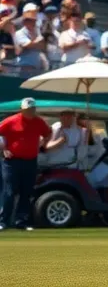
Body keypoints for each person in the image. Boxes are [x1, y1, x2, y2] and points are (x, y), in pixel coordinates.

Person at [0, 98, 52, 230]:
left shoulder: (39, 122)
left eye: (32, 109)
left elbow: (48, 133)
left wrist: (42, 144)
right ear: (22, 110)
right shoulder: (11, 121)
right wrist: (4, 149)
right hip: (12, 162)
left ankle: (21, 222)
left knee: (26, 192)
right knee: (9, 191)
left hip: (30, 161)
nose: (30, 112)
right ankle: (3, 221)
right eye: (28, 110)